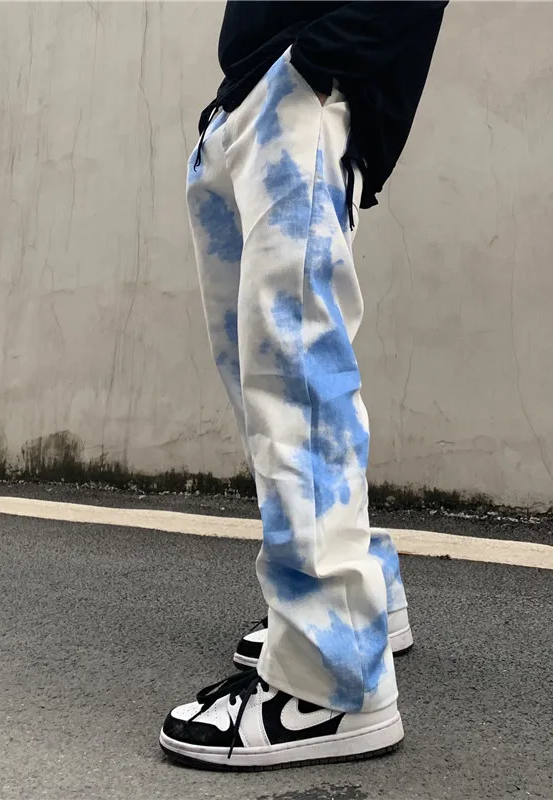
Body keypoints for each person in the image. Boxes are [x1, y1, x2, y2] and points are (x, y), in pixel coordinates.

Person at [160, 0, 447, 771]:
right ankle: (361, 606)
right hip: (253, 97)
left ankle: (330, 683)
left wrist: (318, 64)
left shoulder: (312, 76)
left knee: (297, 392)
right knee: (274, 393)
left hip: (300, 90)